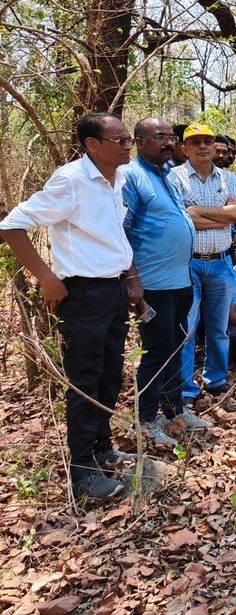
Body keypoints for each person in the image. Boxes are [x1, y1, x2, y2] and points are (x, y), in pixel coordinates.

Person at [0, 113, 139, 499]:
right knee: (85, 380)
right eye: (120, 140)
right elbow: (12, 225)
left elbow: (113, 233)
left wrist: (130, 279)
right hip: (84, 295)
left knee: (110, 374)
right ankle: (82, 472)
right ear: (92, 145)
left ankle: (101, 446)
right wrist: (47, 277)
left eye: (128, 139)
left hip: (112, 290)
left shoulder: (118, 179)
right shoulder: (71, 180)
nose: (127, 146)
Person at [122, 117, 209, 448]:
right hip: (152, 287)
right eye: (159, 137)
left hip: (181, 283)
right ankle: (145, 420)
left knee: (176, 346)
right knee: (157, 351)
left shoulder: (169, 176)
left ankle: (174, 411)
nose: (168, 142)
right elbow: (121, 230)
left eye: (171, 136)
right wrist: (133, 281)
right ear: (139, 141)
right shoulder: (132, 177)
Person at [169, 123, 236, 405]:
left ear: (215, 147)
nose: (203, 146)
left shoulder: (228, 179)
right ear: (184, 148)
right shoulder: (174, 178)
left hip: (222, 263)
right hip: (188, 265)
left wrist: (198, 211)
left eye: (207, 141)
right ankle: (186, 388)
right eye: (195, 142)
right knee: (187, 329)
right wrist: (220, 215)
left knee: (219, 328)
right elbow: (181, 220)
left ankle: (216, 379)